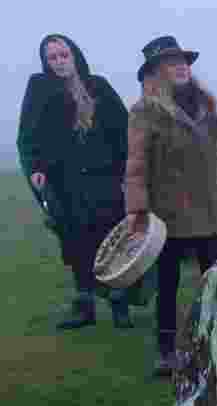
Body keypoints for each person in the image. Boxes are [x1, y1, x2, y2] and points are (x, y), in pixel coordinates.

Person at [123, 36, 217, 377]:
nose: (181, 66)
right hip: (168, 214)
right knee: (168, 285)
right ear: (156, 72)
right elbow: (136, 163)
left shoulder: (207, 105)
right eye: (171, 62)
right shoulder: (145, 111)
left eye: (184, 60)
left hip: (210, 211)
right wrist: (137, 211)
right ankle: (166, 351)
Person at [17, 34, 133, 330]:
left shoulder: (99, 86)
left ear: (74, 54)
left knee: (113, 242)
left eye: (63, 54)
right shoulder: (39, 88)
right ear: (46, 62)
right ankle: (85, 308)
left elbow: (123, 132)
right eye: (52, 57)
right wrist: (35, 168)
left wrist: (126, 174)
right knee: (75, 242)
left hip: (104, 178)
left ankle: (120, 305)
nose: (59, 61)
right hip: (63, 182)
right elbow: (28, 136)